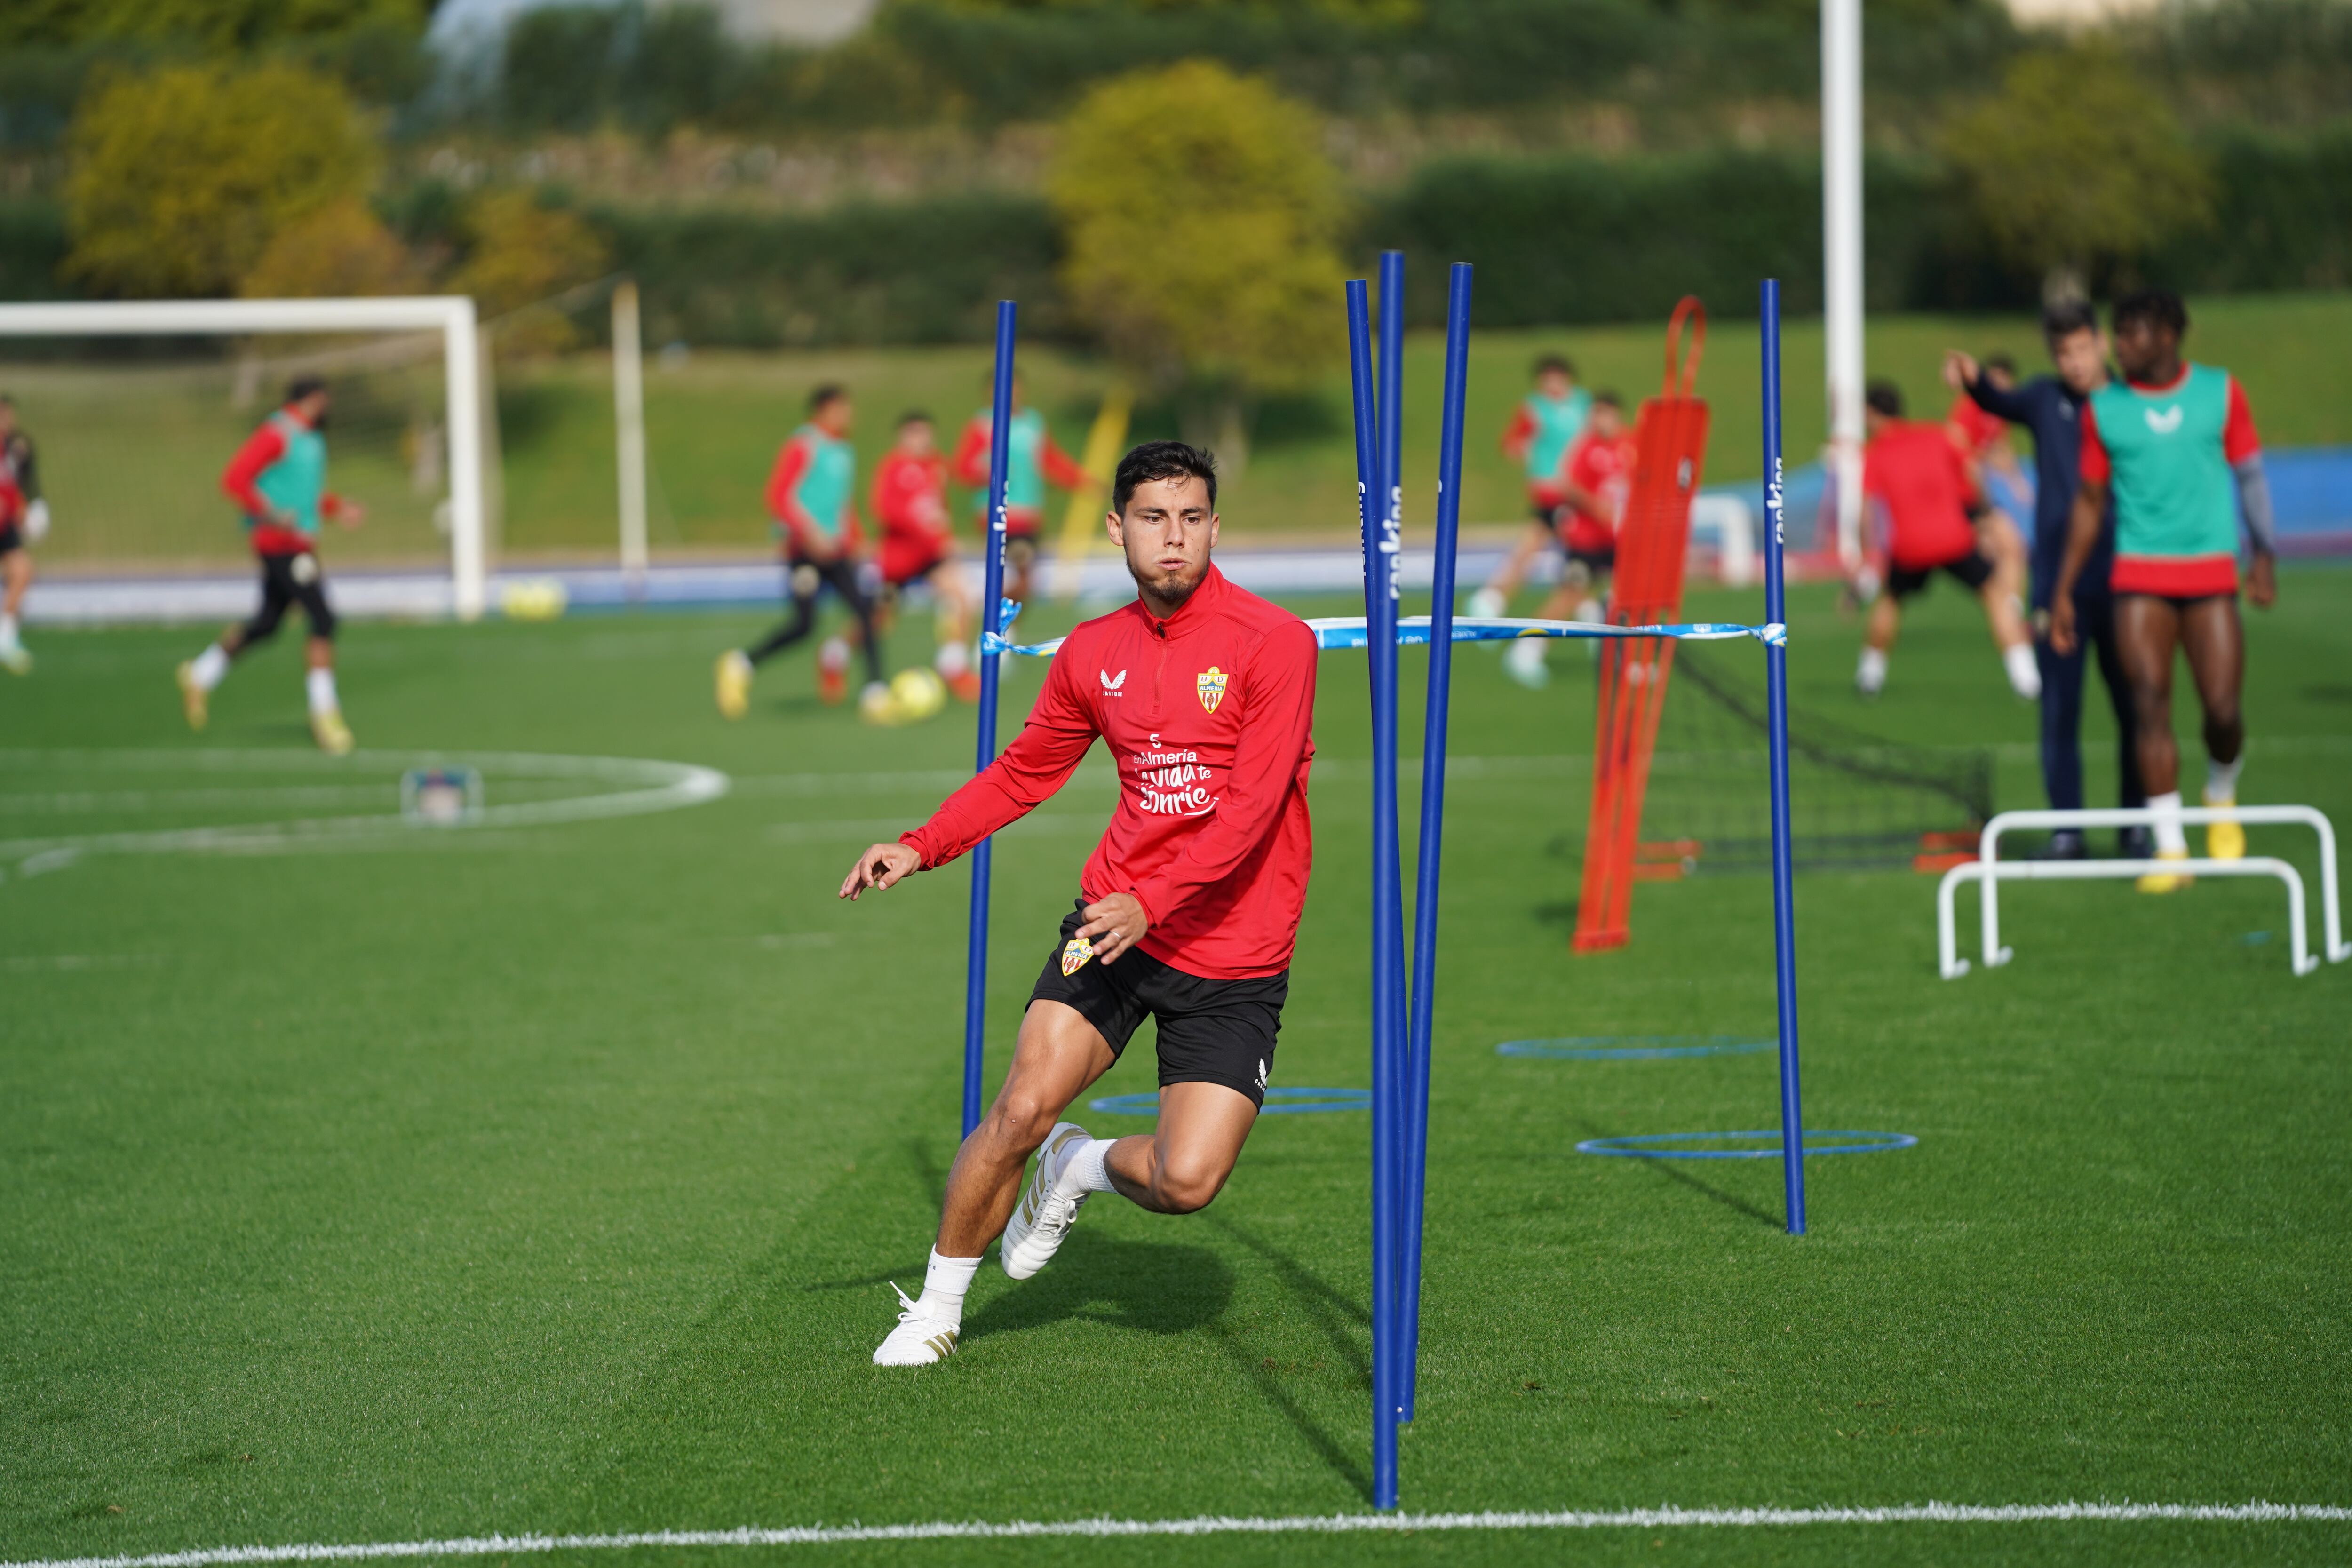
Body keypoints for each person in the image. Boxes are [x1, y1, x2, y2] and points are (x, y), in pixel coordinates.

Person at [839, 440, 1317, 1368]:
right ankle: (935, 1309)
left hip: (1235, 951)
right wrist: (921, 844)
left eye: (1190, 517)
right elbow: (1024, 772)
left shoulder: (1277, 643)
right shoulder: (1092, 652)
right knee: (1017, 1107)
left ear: (1215, 526)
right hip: (1113, 928)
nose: (1172, 537)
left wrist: (1161, 898)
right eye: (1152, 518)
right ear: (1117, 529)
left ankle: (1078, 1165)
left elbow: (1254, 813)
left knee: (1187, 1181)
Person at [2052, 290, 2277, 893]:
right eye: (2117, 333)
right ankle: (2171, 849)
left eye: (2132, 334)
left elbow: (2249, 476)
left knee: (2222, 711)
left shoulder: (2219, 392)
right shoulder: (2104, 410)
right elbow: (2089, 502)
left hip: (2208, 575)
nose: (2118, 345)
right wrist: (2064, 588)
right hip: (2138, 578)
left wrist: (2264, 554)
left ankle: (2220, 792)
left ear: (2169, 335)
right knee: (2148, 703)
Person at [1946, 303, 2146, 860]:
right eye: (2062, 353)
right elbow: (1997, 402)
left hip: (2125, 578)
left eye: (2081, 349)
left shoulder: (2128, 402)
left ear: (2101, 344)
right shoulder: (2043, 398)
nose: (2074, 362)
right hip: (2057, 583)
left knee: (2135, 706)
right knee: (2059, 707)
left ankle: (2136, 824)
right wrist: (1974, 381)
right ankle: (2067, 829)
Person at [176, 377, 365, 753]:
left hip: (300, 543)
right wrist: (271, 513)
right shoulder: (278, 433)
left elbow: (303, 494)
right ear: (311, 399)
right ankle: (325, 713)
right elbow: (234, 479)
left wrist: (336, 507)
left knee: (267, 624)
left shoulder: (312, 438)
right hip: (280, 544)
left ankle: (200, 673)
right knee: (323, 617)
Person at [1854, 381, 2040, 702]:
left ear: (1872, 413)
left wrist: (1865, 554)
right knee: (1995, 595)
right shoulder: (1937, 434)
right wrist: (1981, 513)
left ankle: (1869, 676)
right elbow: (1972, 472)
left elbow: (1867, 512)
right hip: (1954, 538)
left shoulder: (1875, 451)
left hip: (1910, 546)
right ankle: (2026, 679)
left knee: (1891, 601)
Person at [715, 385, 890, 722]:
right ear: (823, 410)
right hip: (805, 552)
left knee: (866, 612)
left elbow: (841, 503)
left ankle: (875, 691)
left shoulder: (844, 450)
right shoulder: (803, 444)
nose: (848, 415)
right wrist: (810, 534)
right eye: (842, 409)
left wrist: (857, 539)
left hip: (836, 551)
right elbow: (779, 495)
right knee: (804, 624)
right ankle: (741, 665)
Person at [1503, 392, 1636, 688]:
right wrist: (1595, 505)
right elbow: (1567, 483)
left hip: (1617, 537)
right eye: (1596, 414)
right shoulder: (1587, 447)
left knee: (1627, 596)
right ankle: (1527, 649)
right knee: (1570, 594)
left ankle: (1625, 658)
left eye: (1605, 413)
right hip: (1586, 537)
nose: (1599, 420)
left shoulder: (1631, 444)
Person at [951, 374, 1088, 611]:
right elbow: (961, 467)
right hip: (998, 514)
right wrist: (982, 474)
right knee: (1018, 571)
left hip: (1029, 513)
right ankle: (990, 619)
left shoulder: (1033, 423)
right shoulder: (983, 425)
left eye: (1014, 389)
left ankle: (999, 624)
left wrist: (1081, 481)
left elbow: (1050, 460)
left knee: (1027, 583)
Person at [871, 411, 981, 703]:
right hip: (899, 559)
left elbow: (952, 490)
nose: (924, 440)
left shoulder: (935, 464)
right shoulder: (893, 467)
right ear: (904, 436)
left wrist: (988, 469)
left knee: (962, 596)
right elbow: (885, 509)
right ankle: (837, 654)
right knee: (879, 620)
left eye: (927, 434)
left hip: (931, 555)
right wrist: (922, 528)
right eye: (917, 434)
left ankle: (952, 665)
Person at [1471, 354, 1592, 619]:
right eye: (1546, 380)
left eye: (1556, 378)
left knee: (1539, 546)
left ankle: (1494, 597)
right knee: (1570, 550)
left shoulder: (1583, 403)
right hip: (1551, 490)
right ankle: (1497, 599)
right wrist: (1530, 456)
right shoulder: (1536, 408)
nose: (1552, 385)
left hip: (1580, 492)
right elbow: (1512, 442)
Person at [0, 395, 47, 675]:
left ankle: (5, 638)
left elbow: (8, 485)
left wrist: (21, 510)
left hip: (4, 522)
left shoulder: (13, 447)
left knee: (23, 570)